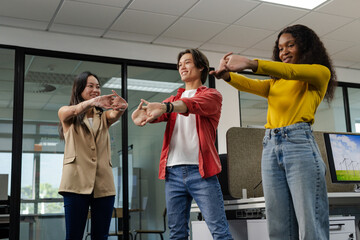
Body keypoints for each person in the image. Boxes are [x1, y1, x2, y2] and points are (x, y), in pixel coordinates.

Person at [210, 24, 337, 240]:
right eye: (280, 48)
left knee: (310, 226)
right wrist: (227, 76)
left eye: (290, 45)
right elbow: (251, 86)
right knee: (278, 226)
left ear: (304, 46)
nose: (283, 52)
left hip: (299, 145)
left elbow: (291, 71)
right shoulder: (277, 83)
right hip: (270, 147)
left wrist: (252, 63)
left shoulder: (318, 73)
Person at [131, 49, 233, 240]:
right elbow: (156, 113)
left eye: (187, 62)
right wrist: (142, 116)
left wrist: (165, 106)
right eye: (179, 65)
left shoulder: (212, 96)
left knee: (219, 231)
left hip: (202, 173)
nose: (182, 67)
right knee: (177, 234)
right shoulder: (172, 100)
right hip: (173, 173)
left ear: (201, 66)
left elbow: (190, 105)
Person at [58, 71, 128, 240]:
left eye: (98, 86)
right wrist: (93, 102)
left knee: (101, 236)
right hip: (75, 183)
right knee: (74, 236)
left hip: (103, 184)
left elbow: (113, 114)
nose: (96, 89)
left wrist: (121, 108)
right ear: (79, 89)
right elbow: (71, 111)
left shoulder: (103, 116)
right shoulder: (66, 113)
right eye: (90, 86)